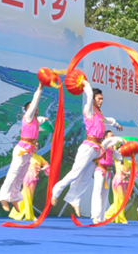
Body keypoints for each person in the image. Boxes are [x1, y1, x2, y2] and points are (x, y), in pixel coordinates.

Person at [51, 82, 123, 216]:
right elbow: (89, 94)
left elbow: (107, 120)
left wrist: (116, 124)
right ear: (93, 99)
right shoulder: (89, 110)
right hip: (88, 147)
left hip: (96, 149)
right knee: (76, 173)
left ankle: (74, 199)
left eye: (102, 99)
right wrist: (85, 83)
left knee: (86, 177)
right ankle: (56, 191)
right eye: (99, 98)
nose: (101, 101)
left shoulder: (99, 114)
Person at [0, 84, 49, 213]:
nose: (35, 108)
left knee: (20, 176)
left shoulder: (36, 120)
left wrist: (47, 118)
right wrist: (39, 89)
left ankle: (14, 197)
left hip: (29, 152)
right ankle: (3, 197)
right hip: (22, 150)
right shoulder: (28, 117)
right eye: (32, 107)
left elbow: (41, 119)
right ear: (28, 110)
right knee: (13, 173)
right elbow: (35, 103)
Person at [91, 132, 124, 223]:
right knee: (97, 193)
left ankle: (101, 217)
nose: (113, 137)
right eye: (111, 136)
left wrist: (123, 155)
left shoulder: (111, 148)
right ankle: (95, 216)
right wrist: (121, 139)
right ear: (105, 137)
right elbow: (111, 141)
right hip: (100, 171)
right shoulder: (104, 144)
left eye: (113, 136)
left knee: (104, 195)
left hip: (108, 172)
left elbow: (119, 156)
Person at [9, 154, 49, 221]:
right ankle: (29, 216)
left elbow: (46, 165)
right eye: (33, 148)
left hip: (34, 178)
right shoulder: (25, 156)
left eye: (36, 147)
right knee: (28, 197)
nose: (34, 148)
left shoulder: (39, 157)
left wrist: (42, 169)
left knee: (24, 196)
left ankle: (15, 213)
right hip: (26, 178)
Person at [105, 156, 132, 223]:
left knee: (120, 201)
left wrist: (127, 173)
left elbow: (135, 172)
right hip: (117, 181)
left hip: (124, 182)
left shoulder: (129, 162)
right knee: (120, 200)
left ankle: (107, 215)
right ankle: (121, 218)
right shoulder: (117, 161)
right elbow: (113, 151)